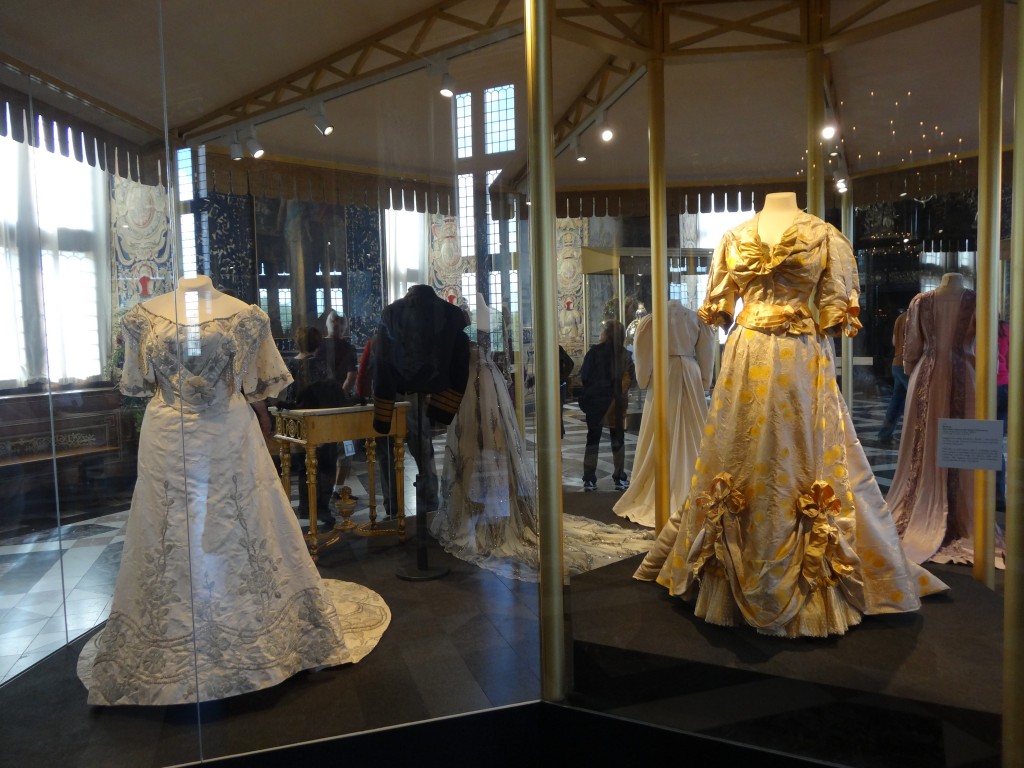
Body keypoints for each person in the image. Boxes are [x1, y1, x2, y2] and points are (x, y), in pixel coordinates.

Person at [634, 192, 948, 638]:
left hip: (802, 358)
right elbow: (720, 306)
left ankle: (809, 574)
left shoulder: (826, 236)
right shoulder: (734, 237)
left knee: (799, 453)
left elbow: (836, 309)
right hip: (745, 357)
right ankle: (727, 567)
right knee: (737, 449)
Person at [77, 275, 351, 705]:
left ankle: (260, 633)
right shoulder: (140, 318)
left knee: (237, 525)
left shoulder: (247, 316)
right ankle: (167, 635)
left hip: (229, 435)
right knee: (170, 531)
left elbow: (259, 384)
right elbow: (138, 384)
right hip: (167, 439)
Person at [885, 272, 1003, 566]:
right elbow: (989, 347)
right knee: (954, 443)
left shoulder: (921, 302)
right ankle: (959, 515)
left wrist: (914, 372)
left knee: (931, 442)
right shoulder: (978, 301)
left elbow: (911, 349)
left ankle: (939, 508)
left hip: (927, 373)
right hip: (966, 372)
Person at [613, 300, 715, 528]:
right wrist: (705, 381)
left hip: (663, 374)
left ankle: (660, 488)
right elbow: (707, 352)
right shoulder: (694, 318)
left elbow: (643, 352)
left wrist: (644, 379)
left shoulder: (652, 321)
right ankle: (691, 484)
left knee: (661, 429)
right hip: (690, 373)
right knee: (694, 430)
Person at [278, 325, 345, 532]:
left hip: (298, 423)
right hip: (322, 423)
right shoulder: (320, 365)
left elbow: (288, 396)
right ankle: (322, 508)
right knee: (325, 466)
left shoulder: (290, 364)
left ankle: (306, 508)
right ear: (317, 343)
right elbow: (330, 394)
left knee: (304, 468)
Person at [579, 319, 634, 492]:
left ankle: (589, 479)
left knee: (592, 440)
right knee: (618, 440)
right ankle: (619, 477)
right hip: (615, 402)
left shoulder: (594, 352)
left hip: (595, 400)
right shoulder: (625, 354)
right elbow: (630, 379)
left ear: (607, 334)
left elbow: (584, 375)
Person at [315, 311, 359, 505]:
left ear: (345, 326)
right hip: (324, 405)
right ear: (327, 324)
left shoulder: (347, 347)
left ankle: (338, 488)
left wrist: (339, 395)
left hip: (341, 404)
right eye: (333, 322)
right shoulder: (320, 346)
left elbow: (352, 375)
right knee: (324, 449)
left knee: (347, 448)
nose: (337, 326)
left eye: (340, 323)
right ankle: (323, 491)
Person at [877, 309, 909, 444]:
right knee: (919, 401)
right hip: (908, 365)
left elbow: (894, 342)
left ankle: (885, 434)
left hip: (896, 363)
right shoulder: (917, 317)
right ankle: (919, 437)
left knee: (896, 402)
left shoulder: (900, 318)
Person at [996, 318, 1009, 510]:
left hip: (981, 386)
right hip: (1004, 385)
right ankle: (998, 494)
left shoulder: (970, 326)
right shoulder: (1005, 328)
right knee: (995, 442)